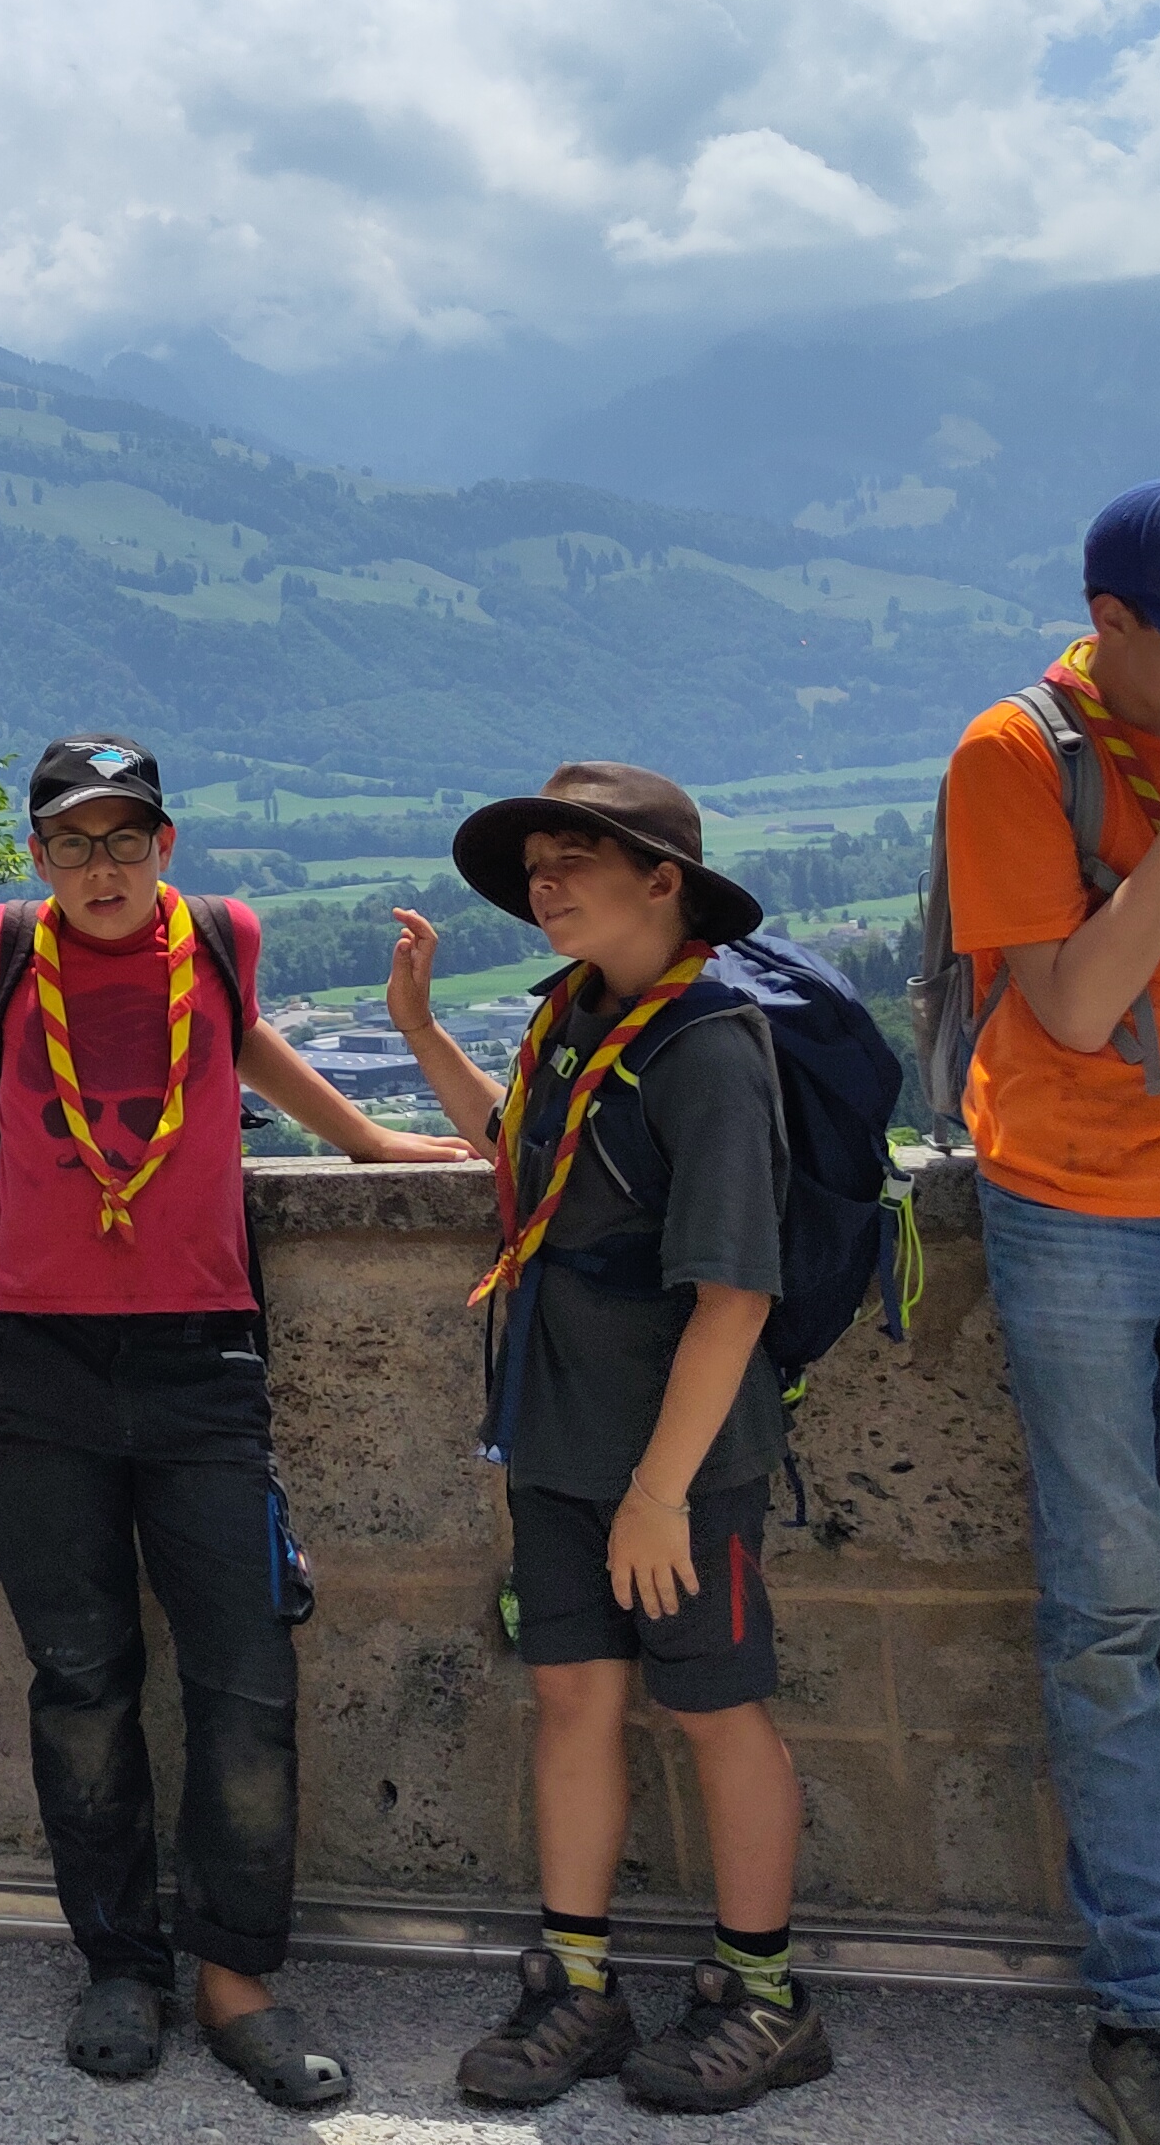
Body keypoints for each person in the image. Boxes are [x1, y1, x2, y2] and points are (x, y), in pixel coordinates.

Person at [0, 734, 474, 2111]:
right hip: (37, 1356)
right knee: (81, 1683)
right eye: (73, 843)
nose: (102, 867)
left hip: (201, 1357)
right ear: (39, 858)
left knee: (245, 1676)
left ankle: (236, 1978)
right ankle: (119, 1966)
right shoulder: (8, 947)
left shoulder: (223, 938)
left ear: (165, 846)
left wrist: (365, 1141)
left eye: (125, 839)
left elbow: (245, 1044)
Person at [934, 478, 1160, 2145]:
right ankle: (1146, 2013)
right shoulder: (1016, 755)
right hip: (1082, 1213)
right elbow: (1076, 1007)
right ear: (1112, 620)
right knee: (1108, 1619)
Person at [385, 763, 824, 2116]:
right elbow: (522, 1157)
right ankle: (576, 1983)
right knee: (574, 1697)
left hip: (678, 1463)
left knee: (714, 1706)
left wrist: (660, 1494)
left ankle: (766, 1997)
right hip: (561, 1440)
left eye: (577, 857)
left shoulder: (707, 1048)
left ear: (663, 881)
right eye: (537, 865)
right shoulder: (571, 1018)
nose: (546, 882)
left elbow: (735, 1294)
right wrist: (419, 1031)